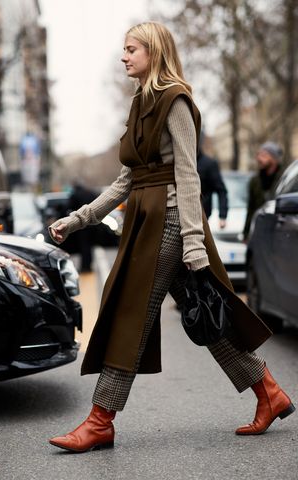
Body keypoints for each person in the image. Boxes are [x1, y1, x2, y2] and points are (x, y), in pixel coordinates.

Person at [47, 22, 294, 453]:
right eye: (122, 49)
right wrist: (78, 219)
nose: (123, 56)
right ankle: (269, 393)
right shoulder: (140, 102)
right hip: (145, 219)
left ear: (153, 51)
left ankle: (100, 420)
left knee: (132, 313)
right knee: (206, 314)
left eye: (131, 49)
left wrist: (194, 242)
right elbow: (126, 180)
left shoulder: (174, 100)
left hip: (172, 221)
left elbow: (187, 173)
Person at [243, 141, 283, 239]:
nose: (259, 158)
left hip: (280, 232)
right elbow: (250, 208)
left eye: (264, 155)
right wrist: (246, 233)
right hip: (259, 232)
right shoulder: (255, 181)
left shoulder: (284, 178)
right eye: (259, 155)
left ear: (274, 158)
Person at [197, 140, 228, 228]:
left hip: (203, 216)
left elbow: (221, 190)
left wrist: (222, 216)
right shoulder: (178, 162)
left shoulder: (209, 164)